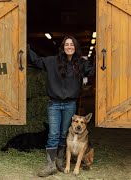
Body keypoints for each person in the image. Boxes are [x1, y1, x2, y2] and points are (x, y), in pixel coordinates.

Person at [27, 36, 94, 177]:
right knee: (53, 134)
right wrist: (26, 47)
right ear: (63, 47)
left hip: (70, 104)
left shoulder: (80, 63)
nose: (69, 47)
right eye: (66, 44)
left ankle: (59, 161)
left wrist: (98, 57)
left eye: (72, 45)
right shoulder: (52, 61)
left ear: (75, 47)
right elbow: (36, 61)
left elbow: (92, 71)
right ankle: (50, 164)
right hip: (54, 104)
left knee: (65, 134)